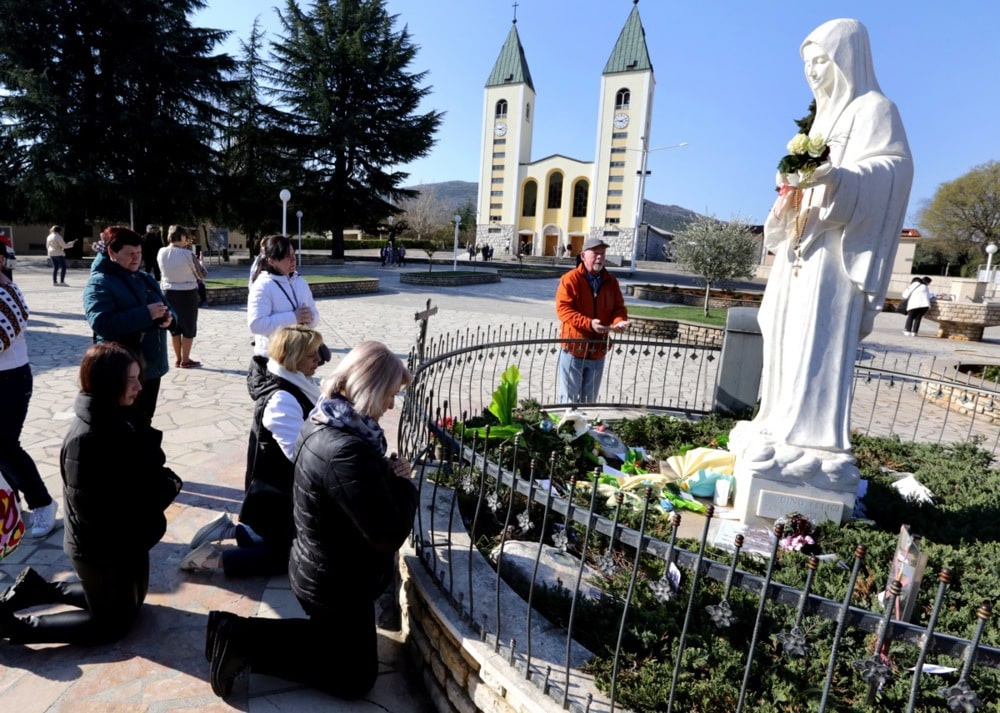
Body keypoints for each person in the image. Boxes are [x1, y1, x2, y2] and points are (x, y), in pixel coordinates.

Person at [734, 18, 913, 456]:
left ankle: (808, 438)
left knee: (814, 338)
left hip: (832, 256)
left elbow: (894, 170)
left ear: (846, 60)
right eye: (808, 64)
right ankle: (775, 418)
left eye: (821, 61)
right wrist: (791, 185)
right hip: (800, 246)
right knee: (777, 327)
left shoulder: (876, 109)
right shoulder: (821, 123)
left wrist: (839, 179)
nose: (813, 71)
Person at [206, 341, 417, 700]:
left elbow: (348, 493)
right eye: (390, 394)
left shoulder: (326, 417)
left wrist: (384, 473)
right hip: (334, 585)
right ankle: (238, 637)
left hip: (319, 567)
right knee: (355, 678)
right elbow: (386, 535)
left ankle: (231, 633)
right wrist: (405, 486)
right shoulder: (348, 448)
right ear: (372, 388)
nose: (392, 405)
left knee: (336, 647)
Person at [0, 343, 182, 645]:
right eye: (131, 380)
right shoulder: (86, 441)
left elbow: (144, 464)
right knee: (112, 626)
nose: (139, 386)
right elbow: (97, 514)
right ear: (109, 383)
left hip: (125, 537)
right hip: (99, 548)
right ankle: (15, 628)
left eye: (139, 377)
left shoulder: (120, 414)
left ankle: (38, 590)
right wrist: (162, 492)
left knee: (133, 607)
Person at [179, 325, 323, 576]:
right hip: (275, 495)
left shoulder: (299, 383)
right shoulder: (282, 398)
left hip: (283, 491)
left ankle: (231, 531)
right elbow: (297, 452)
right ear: (293, 358)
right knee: (289, 557)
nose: (320, 360)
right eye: (312, 355)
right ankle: (211, 559)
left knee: (292, 545)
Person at [84, 225, 176, 425]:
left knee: (144, 423)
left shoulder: (145, 278)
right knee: (122, 427)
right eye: (130, 254)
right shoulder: (99, 282)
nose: (136, 258)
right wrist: (146, 314)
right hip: (121, 371)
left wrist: (169, 319)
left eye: (139, 253)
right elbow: (101, 323)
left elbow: (167, 306)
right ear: (111, 252)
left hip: (151, 368)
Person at [0, 250, 59, 538]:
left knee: (5, 446)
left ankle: (43, 503)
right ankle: (13, 503)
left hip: (9, 381)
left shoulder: (7, 295)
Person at [555, 236, 630, 403]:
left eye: (602, 254)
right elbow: (563, 310)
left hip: (598, 351)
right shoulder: (570, 279)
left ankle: (585, 428)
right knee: (569, 401)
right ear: (583, 256)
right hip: (574, 349)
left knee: (589, 401)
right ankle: (567, 428)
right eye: (595, 253)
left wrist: (618, 321)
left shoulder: (611, 282)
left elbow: (619, 308)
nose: (600, 257)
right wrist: (588, 323)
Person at [246, 235, 318, 399]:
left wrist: (310, 318)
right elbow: (256, 324)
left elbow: (314, 316)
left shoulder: (300, 282)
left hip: (299, 359)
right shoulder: (263, 286)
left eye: (293, 254)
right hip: (273, 363)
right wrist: (294, 317)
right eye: (287, 257)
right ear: (272, 261)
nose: (293, 260)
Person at [157, 224, 204, 368]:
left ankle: (178, 358)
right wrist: (201, 261)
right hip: (187, 292)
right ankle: (186, 359)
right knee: (189, 327)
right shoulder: (187, 254)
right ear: (182, 236)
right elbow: (201, 274)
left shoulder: (161, 251)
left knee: (174, 326)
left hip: (168, 291)